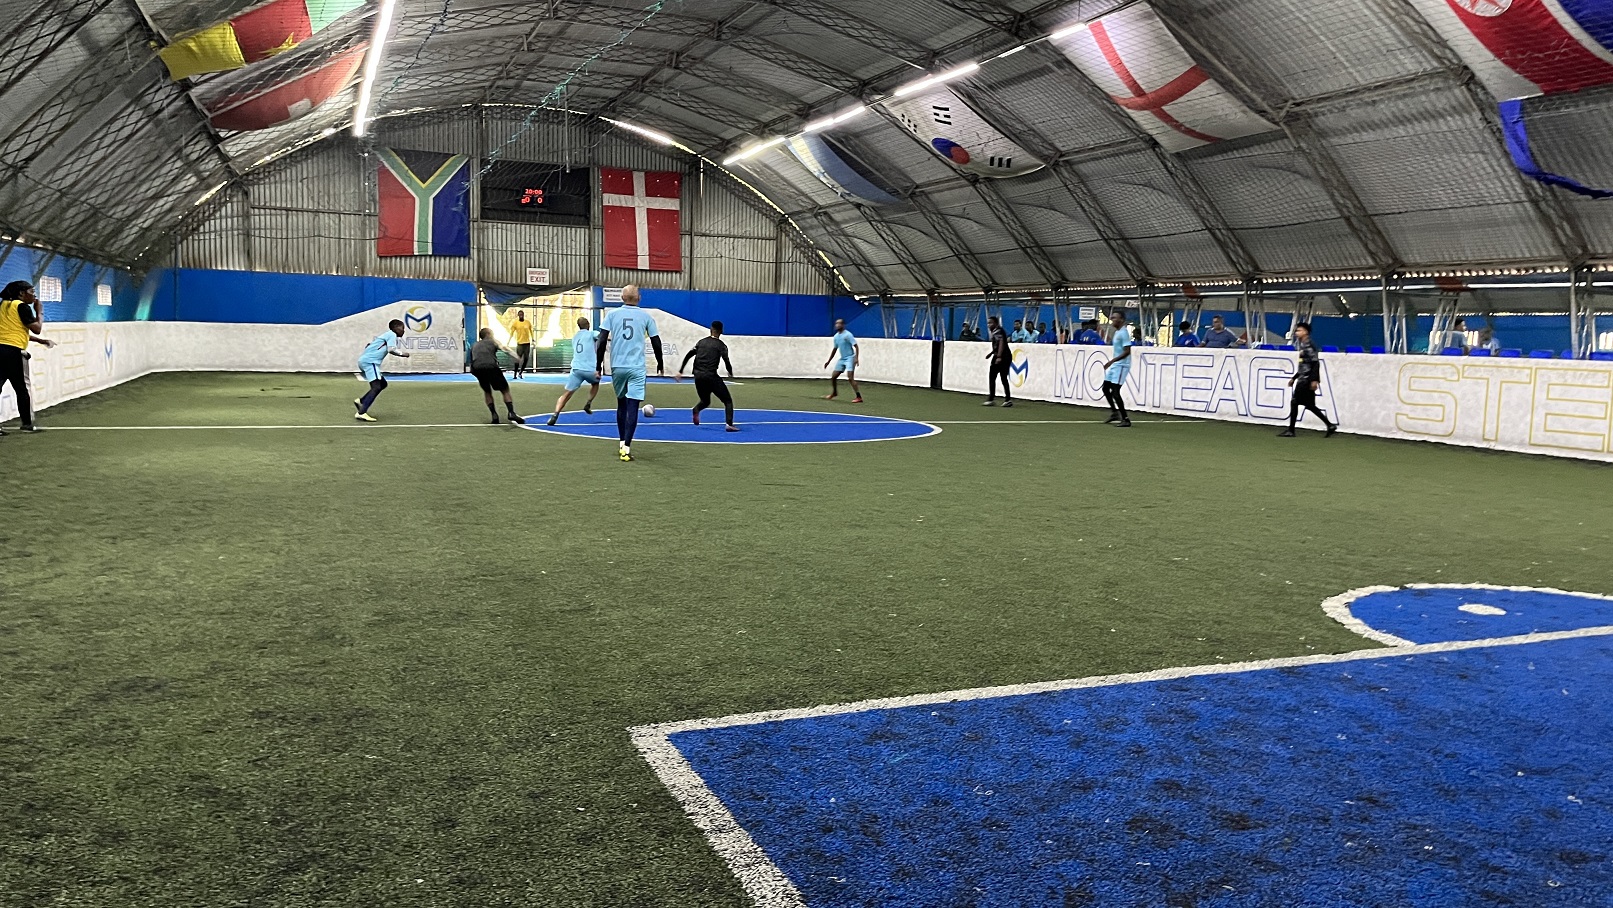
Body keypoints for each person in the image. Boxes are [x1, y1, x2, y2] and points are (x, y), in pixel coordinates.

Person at [596, 284, 663, 462]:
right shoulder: (646, 317)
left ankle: (621, 442)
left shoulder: (612, 315)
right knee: (633, 406)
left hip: (618, 366)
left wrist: (598, 365)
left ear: (622, 298)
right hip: (637, 367)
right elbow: (656, 341)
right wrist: (660, 362)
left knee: (621, 404)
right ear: (639, 298)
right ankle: (626, 447)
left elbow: (601, 341)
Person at [0, 281, 55, 435]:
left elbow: (15, 331)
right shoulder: (22, 307)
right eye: (32, 291)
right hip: (14, 352)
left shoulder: (2, 306)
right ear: (21, 293)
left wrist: (40, 341)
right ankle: (27, 424)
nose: (34, 295)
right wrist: (39, 312)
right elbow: (37, 328)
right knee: (22, 389)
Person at [678, 320, 739, 432]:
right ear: (721, 331)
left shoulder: (701, 342)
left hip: (698, 376)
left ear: (711, 329)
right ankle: (729, 424)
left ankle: (696, 409)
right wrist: (730, 371)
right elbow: (726, 360)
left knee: (705, 401)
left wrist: (680, 371)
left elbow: (689, 354)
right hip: (711, 376)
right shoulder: (721, 345)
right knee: (727, 401)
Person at [1279, 321, 1337, 438]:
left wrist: (1314, 380)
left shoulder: (1308, 345)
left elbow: (1315, 363)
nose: (1296, 333)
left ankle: (1291, 430)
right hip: (1303, 378)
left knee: (1295, 402)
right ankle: (1329, 425)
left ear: (1305, 332)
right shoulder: (1303, 344)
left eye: (1299, 330)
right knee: (1309, 405)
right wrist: (1294, 377)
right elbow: (1304, 365)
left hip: (1306, 379)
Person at [546, 316, 602, 426]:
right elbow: (602, 337)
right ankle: (588, 402)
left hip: (576, 369)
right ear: (588, 325)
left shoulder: (575, 337)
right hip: (590, 369)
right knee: (595, 383)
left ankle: (555, 414)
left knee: (567, 394)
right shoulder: (592, 333)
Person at [354, 319, 411, 421]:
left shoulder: (386, 335)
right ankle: (361, 413)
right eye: (402, 328)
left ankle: (362, 401)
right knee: (376, 387)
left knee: (382, 384)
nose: (403, 330)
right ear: (396, 328)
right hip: (370, 362)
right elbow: (391, 349)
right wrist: (403, 354)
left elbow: (369, 346)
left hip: (366, 361)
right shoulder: (392, 334)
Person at [468, 327, 526, 425]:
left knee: (487, 391)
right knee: (505, 390)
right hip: (491, 367)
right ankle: (511, 413)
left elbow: (471, 361)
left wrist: (476, 372)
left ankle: (494, 415)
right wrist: (516, 357)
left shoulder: (474, 345)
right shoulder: (493, 341)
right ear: (488, 334)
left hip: (478, 369)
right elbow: (505, 349)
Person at [1101, 311, 1133, 428]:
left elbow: (1127, 351)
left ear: (1121, 319)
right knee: (1105, 388)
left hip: (1122, 365)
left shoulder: (1124, 333)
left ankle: (1125, 419)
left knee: (1115, 391)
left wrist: (1112, 361)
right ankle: (1114, 413)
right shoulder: (1118, 332)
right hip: (1116, 365)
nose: (1112, 319)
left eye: (1115, 317)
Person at [823, 318, 862, 403]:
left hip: (850, 358)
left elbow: (856, 346)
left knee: (850, 378)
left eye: (839, 323)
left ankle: (859, 397)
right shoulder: (836, 336)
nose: (837, 325)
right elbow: (835, 349)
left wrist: (856, 358)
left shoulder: (848, 335)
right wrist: (828, 361)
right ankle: (834, 393)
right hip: (842, 359)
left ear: (843, 325)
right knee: (833, 377)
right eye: (836, 323)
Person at [983, 315, 1014, 407]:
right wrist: (991, 353)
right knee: (1001, 377)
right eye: (988, 323)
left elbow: (1001, 343)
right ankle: (1006, 399)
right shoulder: (996, 331)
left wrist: (999, 356)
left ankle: (993, 398)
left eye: (990, 323)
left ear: (996, 323)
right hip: (1001, 355)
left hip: (1003, 356)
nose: (989, 325)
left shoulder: (998, 331)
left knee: (996, 377)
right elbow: (998, 344)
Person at [508, 310, 534, 379]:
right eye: (520, 314)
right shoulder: (515, 323)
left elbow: (531, 331)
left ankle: (521, 372)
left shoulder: (527, 322)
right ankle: (515, 374)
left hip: (527, 343)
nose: (521, 315)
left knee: (526, 359)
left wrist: (533, 339)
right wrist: (508, 341)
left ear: (523, 315)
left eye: (522, 314)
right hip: (520, 344)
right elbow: (512, 332)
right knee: (517, 359)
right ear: (518, 315)